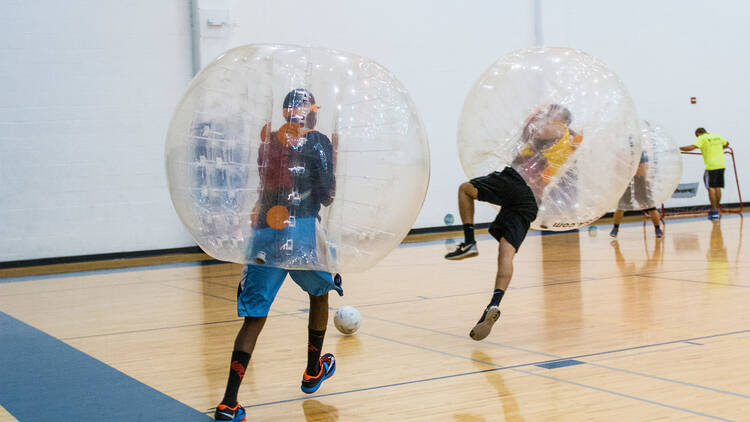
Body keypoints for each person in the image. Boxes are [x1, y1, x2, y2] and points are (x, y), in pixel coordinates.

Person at [214, 89, 342, 422]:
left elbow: (267, 183)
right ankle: (313, 371)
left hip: (264, 232)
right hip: (299, 231)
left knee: (254, 319)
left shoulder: (269, 141)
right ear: (311, 113)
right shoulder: (318, 142)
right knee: (321, 292)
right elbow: (327, 196)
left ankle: (229, 402)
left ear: (287, 114)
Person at [445, 104, 582, 340]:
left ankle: (469, 241)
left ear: (563, 120)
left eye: (553, 114)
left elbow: (535, 132)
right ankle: (493, 304)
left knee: (465, 190)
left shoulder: (560, 130)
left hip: (518, 183)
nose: (547, 116)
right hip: (531, 202)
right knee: (505, 253)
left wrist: (533, 116)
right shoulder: (566, 143)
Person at [609, 151, 664, 238]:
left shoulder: (641, 155)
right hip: (627, 183)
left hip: (641, 182)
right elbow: (618, 169)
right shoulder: (623, 155)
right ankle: (615, 228)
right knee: (620, 207)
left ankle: (657, 229)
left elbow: (642, 171)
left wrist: (634, 170)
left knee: (651, 208)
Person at [680, 128, 730, 220]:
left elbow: (691, 148)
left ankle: (714, 212)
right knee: (718, 188)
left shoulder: (702, 138)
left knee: (711, 188)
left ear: (698, 134)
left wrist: (678, 148)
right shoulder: (717, 136)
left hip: (711, 166)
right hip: (721, 165)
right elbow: (727, 143)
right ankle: (716, 210)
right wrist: (718, 149)